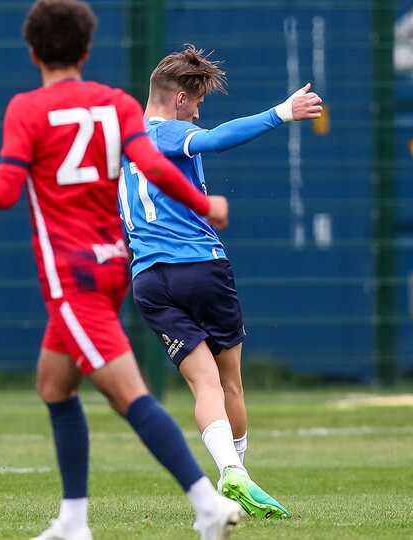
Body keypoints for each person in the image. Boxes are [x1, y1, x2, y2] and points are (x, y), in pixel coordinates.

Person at [0, 2, 244, 539]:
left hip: (72, 275)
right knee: (55, 386)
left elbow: (5, 192)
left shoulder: (26, 109)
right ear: (86, 50)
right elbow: (154, 165)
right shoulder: (114, 102)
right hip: (112, 264)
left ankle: (209, 503)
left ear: (33, 51)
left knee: (128, 395)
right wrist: (206, 205)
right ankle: (73, 521)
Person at [118, 45, 323, 519]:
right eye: (198, 103)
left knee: (202, 386)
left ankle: (232, 474)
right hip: (199, 268)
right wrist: (281, 113)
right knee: (229, 383)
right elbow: (212, 141)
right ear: (181, 99)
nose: (199, 113)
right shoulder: (168, 132)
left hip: (148, 280)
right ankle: (238, 474)